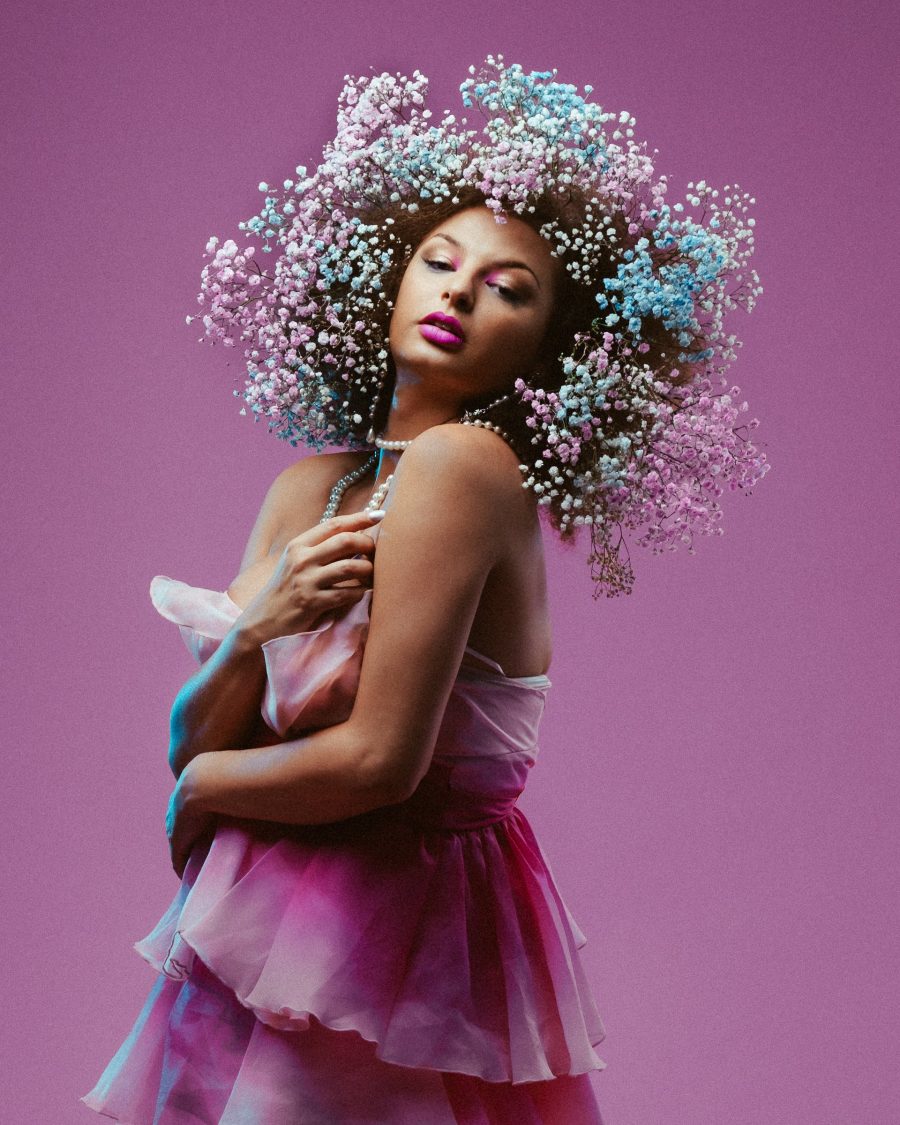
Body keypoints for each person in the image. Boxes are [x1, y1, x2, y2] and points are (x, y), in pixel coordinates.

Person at [83, 59, 765, 1123]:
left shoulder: (466, 466)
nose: (457, 289)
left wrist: (206, 791)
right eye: (438, 260)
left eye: (510, 288)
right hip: (266, 942)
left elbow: (380, 762)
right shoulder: (312, 486)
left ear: (553, 353)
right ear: (388, 280)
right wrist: (253, 631)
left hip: (384, 946)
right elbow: (194, 738)